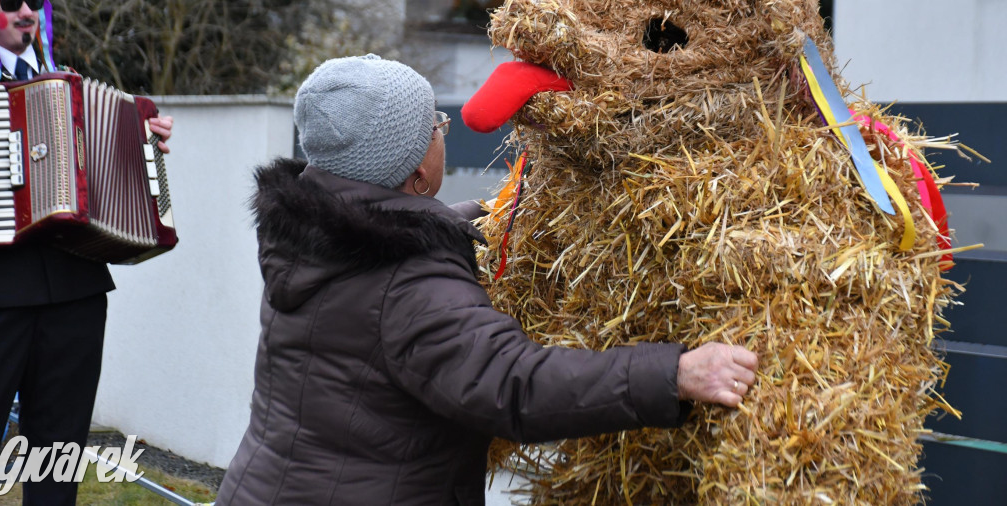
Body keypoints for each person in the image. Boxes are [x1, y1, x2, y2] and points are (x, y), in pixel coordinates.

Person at [216, 54, 759, 505]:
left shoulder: (307, 234)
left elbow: (384, 238)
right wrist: (673, 373)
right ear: (418, 171)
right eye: (436, 126)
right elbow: (513, 386)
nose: (441, 133)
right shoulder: (409, 281)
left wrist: (479, 219)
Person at [0, 0, 173, 504]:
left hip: (74, 293)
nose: (24, 12)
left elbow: (103, 178)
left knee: (56, 464)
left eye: (32, 2)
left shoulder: (66, 80)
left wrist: (144, 146)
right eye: (9, 1)